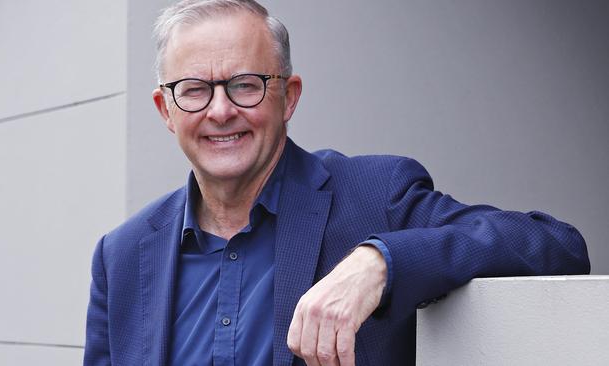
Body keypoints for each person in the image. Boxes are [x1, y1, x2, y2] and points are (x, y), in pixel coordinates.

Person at [84, 1, 590, 365]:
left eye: (245, 85)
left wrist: (381, 262)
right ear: (165, 110)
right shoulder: (122, 256)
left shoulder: (376, 195)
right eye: (194, 90)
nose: (221, 111)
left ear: (289, 96)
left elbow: (555, 245)